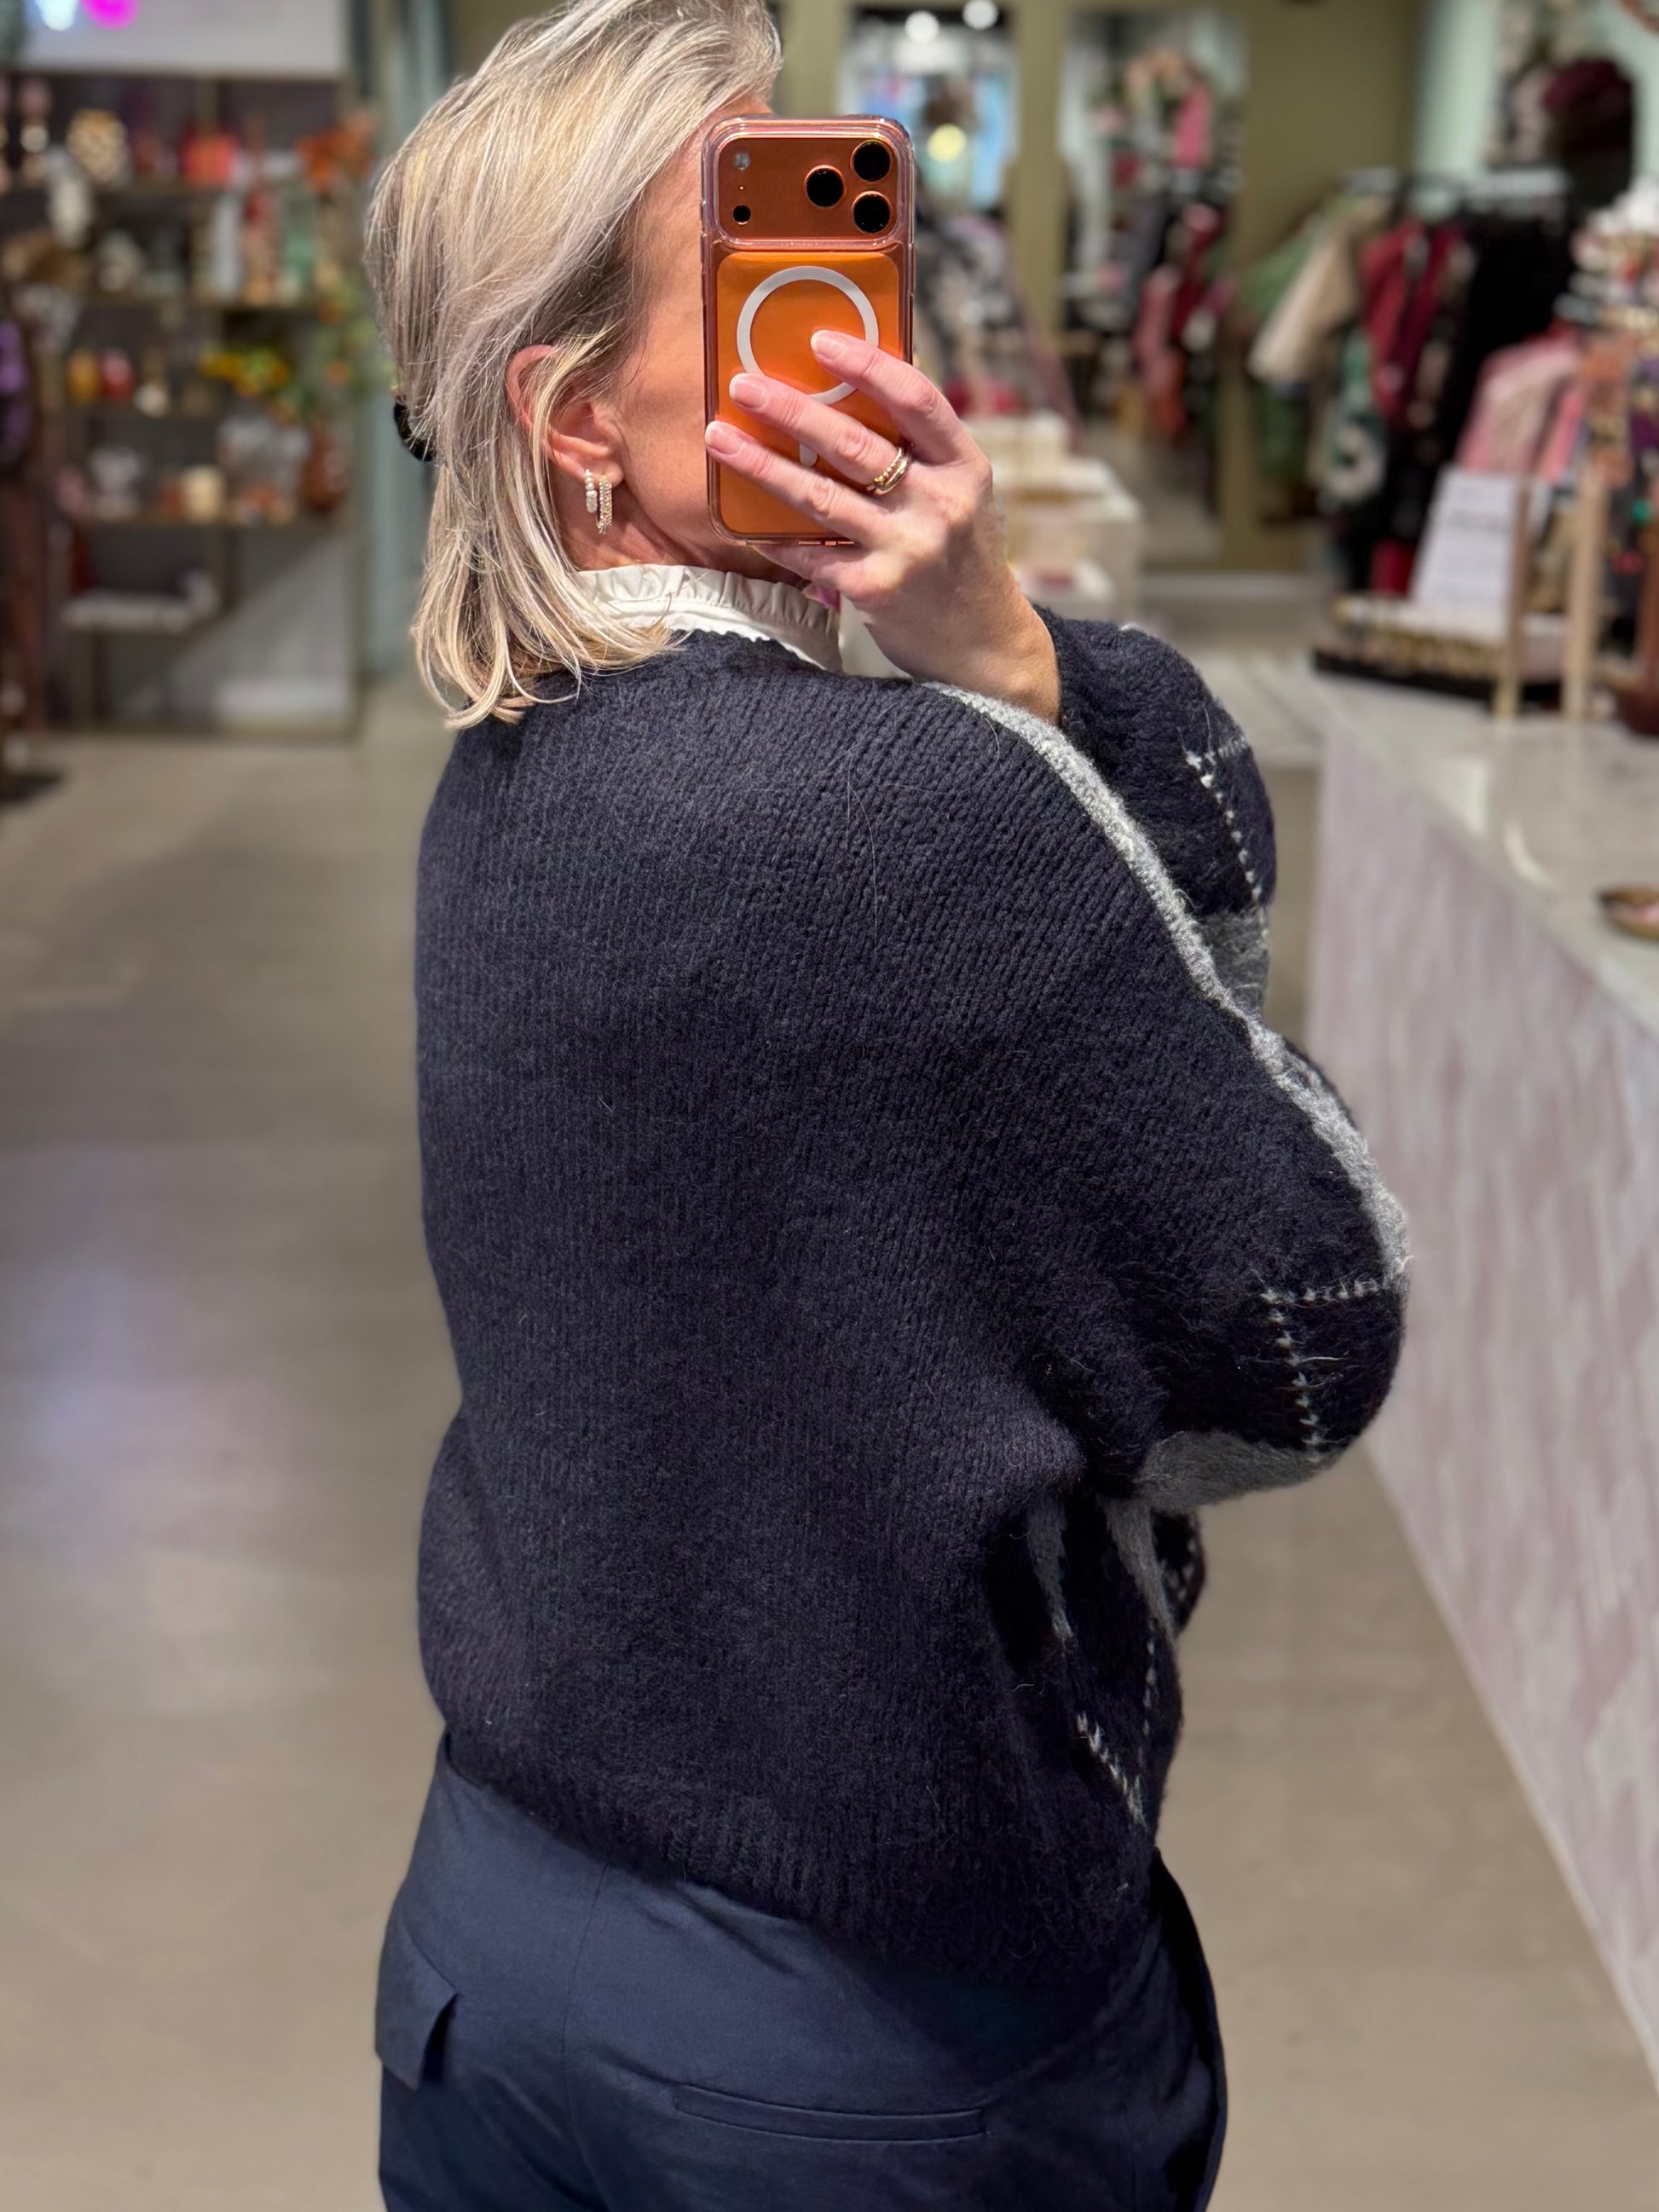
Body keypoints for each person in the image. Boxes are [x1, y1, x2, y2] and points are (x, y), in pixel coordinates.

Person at [364, 4, 1408, 2206]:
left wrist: (1006, 686)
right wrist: (1026, 689)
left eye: (842, 257)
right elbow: (1307, 1333)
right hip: (864, 2045)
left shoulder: (501, 779)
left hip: (493, 1961)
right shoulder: (916, 820)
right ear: (573, 416)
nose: (850, 336)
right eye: (757, 273)